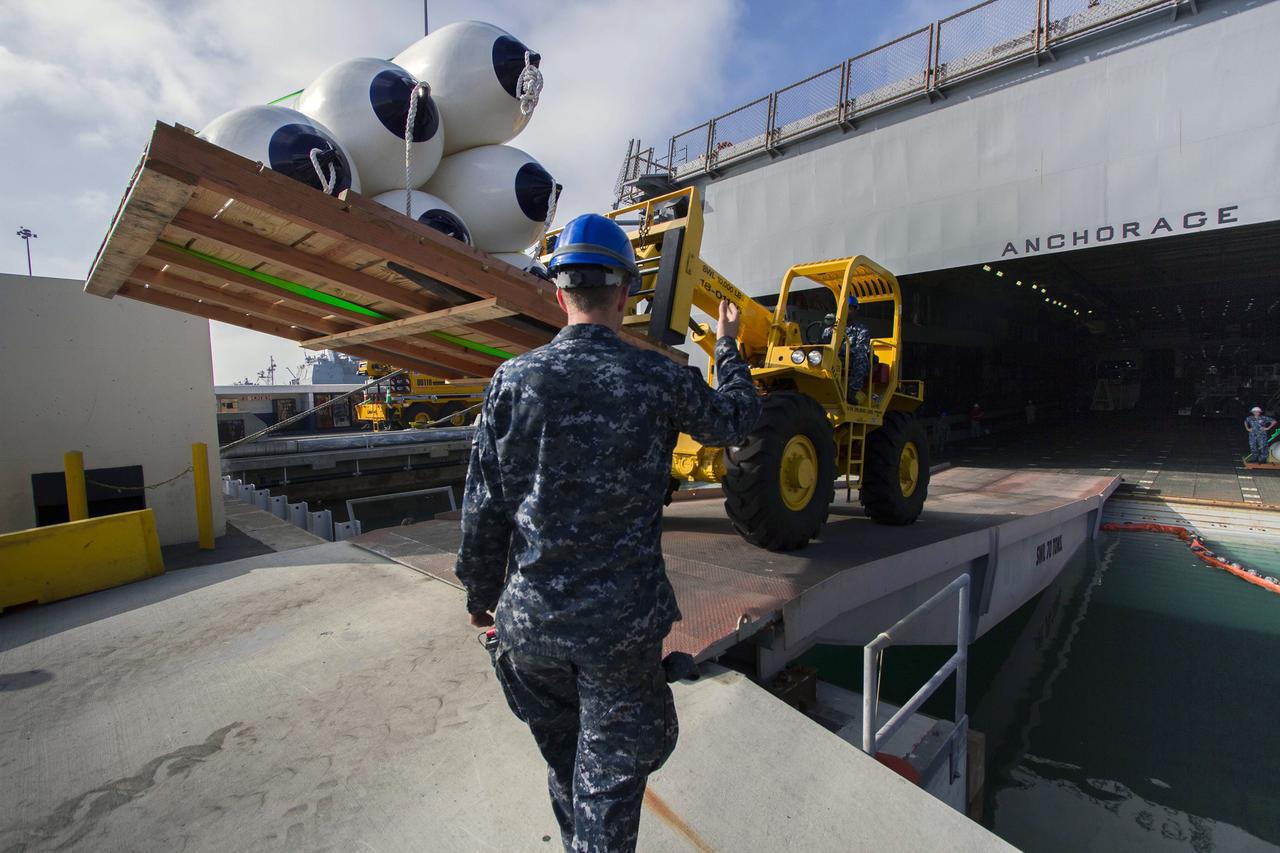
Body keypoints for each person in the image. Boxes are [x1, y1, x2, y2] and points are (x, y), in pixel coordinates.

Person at [454, 213, 761, 852]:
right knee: (612, 777)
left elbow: (484, 506)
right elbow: (736, 420)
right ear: (626, 294)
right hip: (618, 630)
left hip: (530, 628)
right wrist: (727, 345)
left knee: (572, 765)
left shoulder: (512, 382)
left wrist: (481, 595)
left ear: (559, 291)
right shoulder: (657, 378)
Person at [821, 294, 872, 402]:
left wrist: (842, 351)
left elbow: (861, 348)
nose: (846, 311)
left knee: (861, 357)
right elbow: (823, 345)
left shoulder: (861, 329)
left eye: (849, 309)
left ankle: (851, 392)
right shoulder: (830, 329)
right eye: (843, 309)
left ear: (854, 310)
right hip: (834, 358)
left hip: (851, 359)